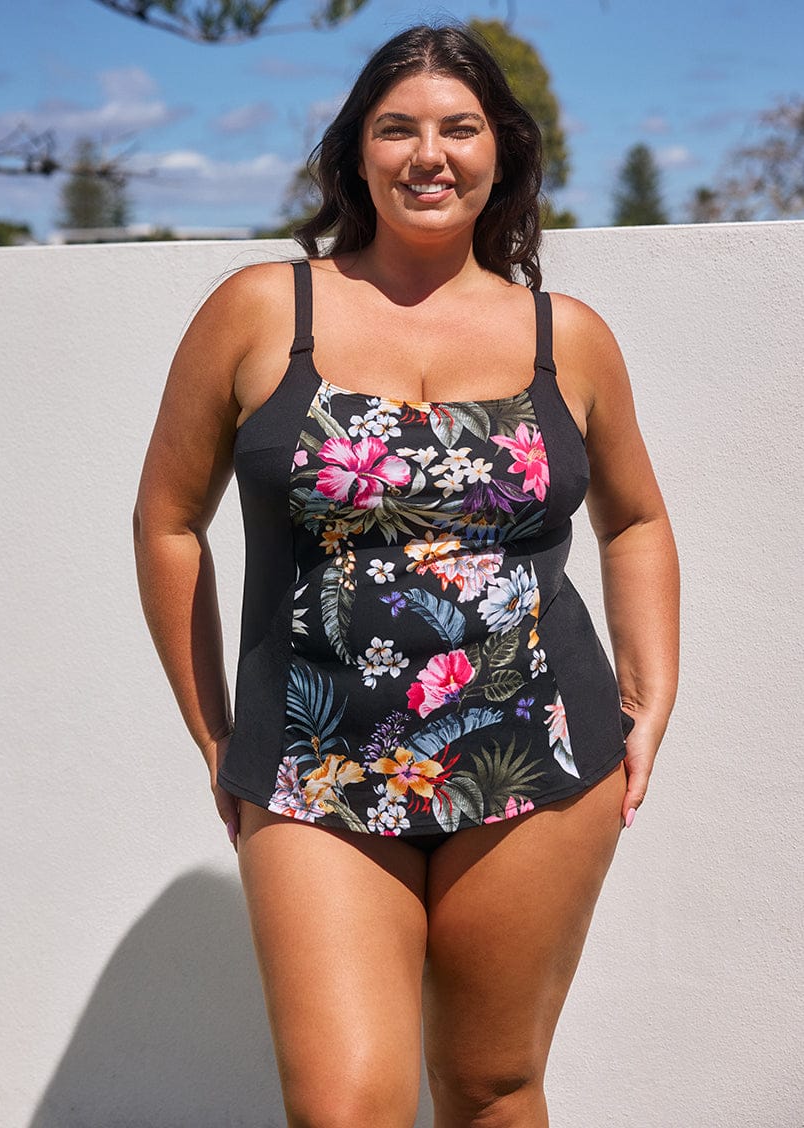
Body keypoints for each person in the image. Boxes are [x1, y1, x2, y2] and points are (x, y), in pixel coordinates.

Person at [133, 22, 679, 1128]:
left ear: (503, 154)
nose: (429, 155)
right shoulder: (259, 312)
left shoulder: (564, 337)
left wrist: (651, 690)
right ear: (355, 152)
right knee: (346, 1107)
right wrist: (213, 731)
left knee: (492, 1086)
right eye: (398, 128)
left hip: (538, 750)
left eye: (459, 128)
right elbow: (167, 521)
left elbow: (637, 521)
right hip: (309, 764)